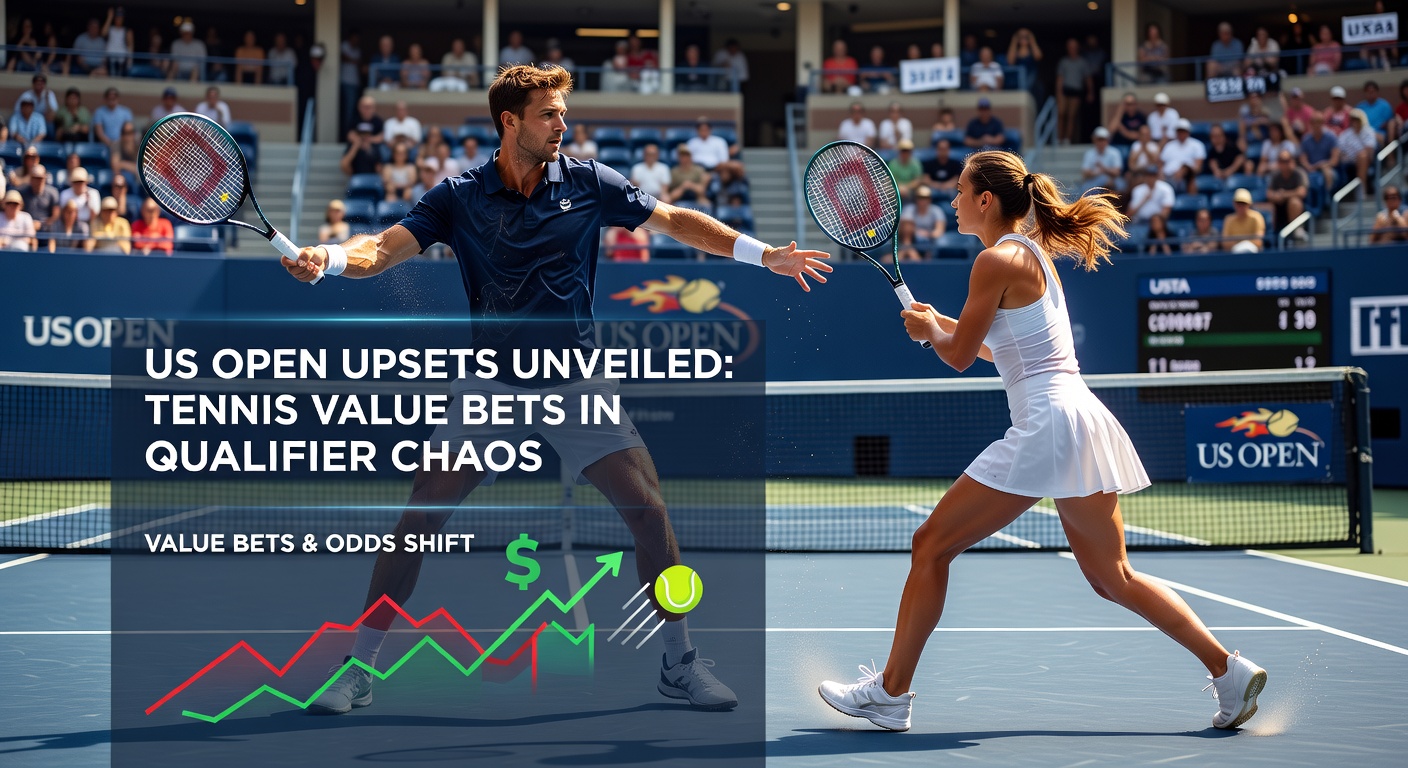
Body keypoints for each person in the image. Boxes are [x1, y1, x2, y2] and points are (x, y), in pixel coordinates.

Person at [281, 63, 830, 716]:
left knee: (649, 512)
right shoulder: (458, 197)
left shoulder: (591, 182)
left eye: (563, 113)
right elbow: (380, 249)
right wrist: (328, 258)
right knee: (419, 518)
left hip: (577, 383)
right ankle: (360, 667)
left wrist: (764, 254)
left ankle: (679, 661)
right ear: (509, 121)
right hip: (491, 385)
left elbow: (675, 220)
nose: (561, 125)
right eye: (548, 114)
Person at [819, 148, 1266, 733]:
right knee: (1114, 578)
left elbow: (958, 358)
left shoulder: (994, 261)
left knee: (930, 545)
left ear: (985, 200)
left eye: (960, 191)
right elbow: (996, 349)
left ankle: (890, 693)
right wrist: (940, 326)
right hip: (1081, 417)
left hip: (1047, 424)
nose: (953, 201)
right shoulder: (1032, 254)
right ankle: (1228, 671)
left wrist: (933, 332)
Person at [1055, 38, 1092, 146]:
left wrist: (1090, 92)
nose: (1072, 49)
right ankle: (1059, 138)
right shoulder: (1063, 62)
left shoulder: (1082, 62)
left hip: (1076, 91)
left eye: (1074, 47)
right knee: (1061, 114)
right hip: (1065, 90)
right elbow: (1060, 78)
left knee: (1072, 116)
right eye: (1070, 47)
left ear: (1078, 48)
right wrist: (1058, 93)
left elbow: (1088, 78)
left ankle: (1067, 139)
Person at [1265, 150, 1308, 234]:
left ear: (1292, 161)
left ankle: (1296, 230)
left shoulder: (1299, 173)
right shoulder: (1275, 175)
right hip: (1278, 206)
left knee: (1294, 202)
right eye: (1281, 161)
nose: (1284, 164)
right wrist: (1276, 196)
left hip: (1299, 207)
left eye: (1287, 160)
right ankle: (1270, 234)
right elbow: (1269, 194)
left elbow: (1302, 192)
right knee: (1268, 206)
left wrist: (1283, 194)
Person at [1336, 109, 1377, 190]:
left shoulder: (1368, 131)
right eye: (1353, 120)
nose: (1355, 122)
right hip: (1348, 160)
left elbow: (1369, 149)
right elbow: (1339, 148)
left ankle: (1362, 189)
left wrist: (1357, 156)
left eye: (1357, 120)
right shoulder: (1346, 133)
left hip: (1365, 160)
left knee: (1362, 156)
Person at [1299, 113, 1340, 189]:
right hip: (1310, 169)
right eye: (1314, 122)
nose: (1317, 125)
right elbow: (1303, 160)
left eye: (1319, 122)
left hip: (1327, 167)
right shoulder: (1306, 139)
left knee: (1327, 173)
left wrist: (1322, 165)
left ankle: (1327, 195)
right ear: (1311, 124)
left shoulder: (1331, 137)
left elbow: (1334, 160)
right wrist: (1311, 168)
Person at [1222, 188, 1265, 252]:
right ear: (1234, 204)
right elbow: (1225, 243)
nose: (1240, 206)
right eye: (1238, 203)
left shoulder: (1256, 217)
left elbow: (1258, 241)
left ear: (1249, 204)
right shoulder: (1229, 219)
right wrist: (1239, 246)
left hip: (1253, 253)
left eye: (1243, 203)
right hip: (1234, 254)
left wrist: (1244, 244)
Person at [1081, 127, 1123, 192]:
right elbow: (1085, 173)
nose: (1101, 142)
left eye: (1103, 140)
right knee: (1086, 187)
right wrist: (1098, 173)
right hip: (1095, 180)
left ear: (1107, 140)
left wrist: (1103, 168)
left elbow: (1117, 172)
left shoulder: (1114, 152)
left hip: (1112, 179)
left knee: (1121, 184)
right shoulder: (1089, 154)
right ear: (1094, 140)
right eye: (1099, 140)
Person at [1357, 81, 1399, 145]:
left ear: (1377, 92)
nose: (1370, 94)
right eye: (1368, 92)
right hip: (1362, 134)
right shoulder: (1360, 107)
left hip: (1379, 134)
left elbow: (1390, 121)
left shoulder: (1385, 105)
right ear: (1365, 93)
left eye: (1372, 92)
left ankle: (1391, 150)